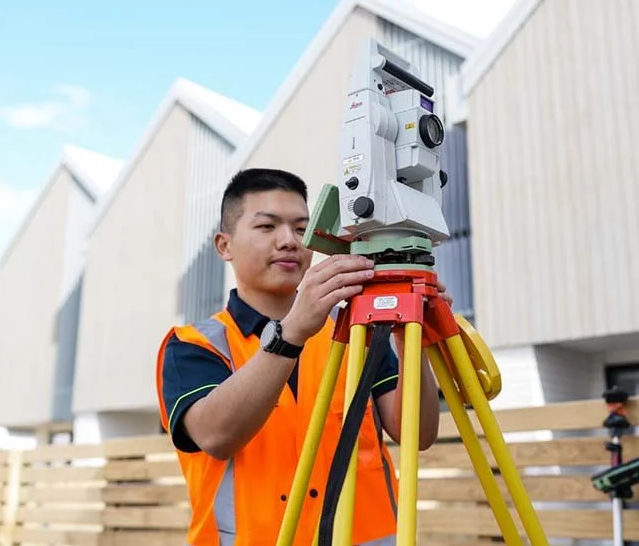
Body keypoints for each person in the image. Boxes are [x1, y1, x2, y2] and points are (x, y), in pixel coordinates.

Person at [155, 168, 447, 546]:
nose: (289, 241)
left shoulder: (354, 330)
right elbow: (215, 435)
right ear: (224, 245)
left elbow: (418, 433)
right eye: (266, 227)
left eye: (300, 227)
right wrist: (290, 333)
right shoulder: (193, 345)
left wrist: (412, 336)